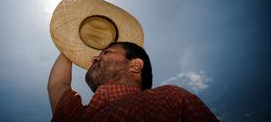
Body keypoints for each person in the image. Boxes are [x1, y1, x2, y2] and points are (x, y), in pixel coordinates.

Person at [48, 41, 219, 121]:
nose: (94, 58)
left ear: (135, 65)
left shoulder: (170, 98)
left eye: (106, 52)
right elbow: (57, 84)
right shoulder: (76, 115)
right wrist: (73, 41)